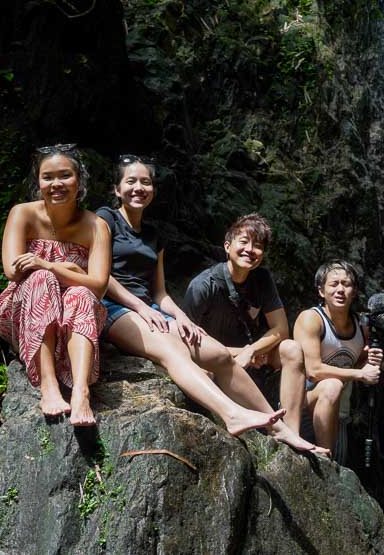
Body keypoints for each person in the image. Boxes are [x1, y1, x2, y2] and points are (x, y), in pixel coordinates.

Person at [96, 156, 325, 453]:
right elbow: (101, 277)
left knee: (218, 354)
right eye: (131, 181)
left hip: (150, 310)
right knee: (173, 350)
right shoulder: (104, 219)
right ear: (116, 189)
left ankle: (280, 429)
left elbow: (161, 293)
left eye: (146, 182)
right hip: (112, 306)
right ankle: (231, 414)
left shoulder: (154, 235)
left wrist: (182, 319)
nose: (139, 187)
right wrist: (141, 309)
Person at [0, 144, 111, 425]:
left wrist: (48, 264)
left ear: (79, 180)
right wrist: (67, 269)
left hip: (73, 314)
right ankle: (48, 384)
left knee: (80, 292)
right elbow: (13, 270)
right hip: (23, 308)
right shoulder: (22, 213)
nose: (56, 184)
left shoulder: (96, 226)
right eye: (48, 177)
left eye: (65, 176)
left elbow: (98, 287)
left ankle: (81, 392)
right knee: (40, 279)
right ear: (39, 183)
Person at [182, 214, 311, 438]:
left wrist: (252, 350)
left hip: (253, 354)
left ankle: (290, 432)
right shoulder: (203, 286)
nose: (250, 250)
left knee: (292, 349)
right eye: (244, 242)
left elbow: (281, 329)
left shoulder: (262, 279)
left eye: (258, 245)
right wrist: (241, 353)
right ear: (227, 245)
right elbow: (185, 342)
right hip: (215, 358)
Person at [293, 259, 384, 450]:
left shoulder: (361, 325)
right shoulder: (311, 319)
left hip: (340, 413)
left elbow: (356, 364)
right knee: (332, 385)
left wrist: (367, 361)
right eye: (333, 284)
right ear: (321, 291)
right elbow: (314, 371)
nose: (340, 290)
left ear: (355, 291)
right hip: (303, 407)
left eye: (347, 284)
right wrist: (360, 374)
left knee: (338, 469)